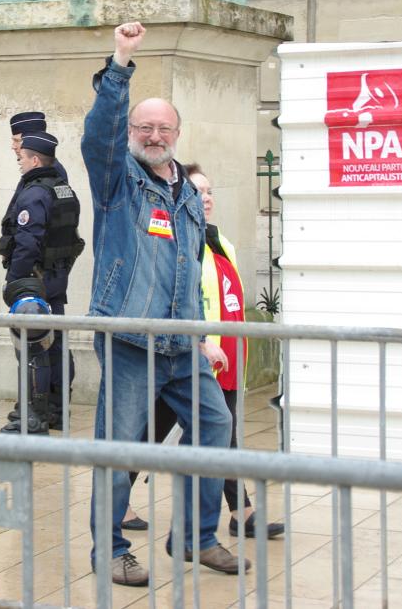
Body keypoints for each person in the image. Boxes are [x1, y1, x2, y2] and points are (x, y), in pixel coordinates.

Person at [81, 21, 245, 587]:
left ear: (177, 132)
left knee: (215, 426)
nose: (154, 135)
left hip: (181, 342)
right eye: (144, 127)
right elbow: (98, 134)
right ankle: (111, 549)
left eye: (163, 127)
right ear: (132, 131)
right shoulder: (117, 180)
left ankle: (196, 537)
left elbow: (190, 271)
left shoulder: (187, 191)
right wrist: (120, 64)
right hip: (130, 337)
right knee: (121, 446)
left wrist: (202, 336)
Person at [120, 164, 285, 540]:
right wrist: (198, 341)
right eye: (197, 191)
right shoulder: (176, 242)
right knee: (169, 434)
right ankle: (237, 514)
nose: (205, 198)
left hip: (222, 358)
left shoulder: (217, 239)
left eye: (209, 191)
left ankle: (238, 513)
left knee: (215, 432)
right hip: (187, 356)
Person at [0, 130, 83, 434]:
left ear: (35, 159)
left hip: (35, 278)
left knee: (33, 344)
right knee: (56, 343)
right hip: (56, 278)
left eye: (22, 157)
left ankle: (33, 415)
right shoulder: (64, 189)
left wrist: (15, 281)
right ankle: (57, 411)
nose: (19, 162)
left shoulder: (35, 193)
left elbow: (27, 241)